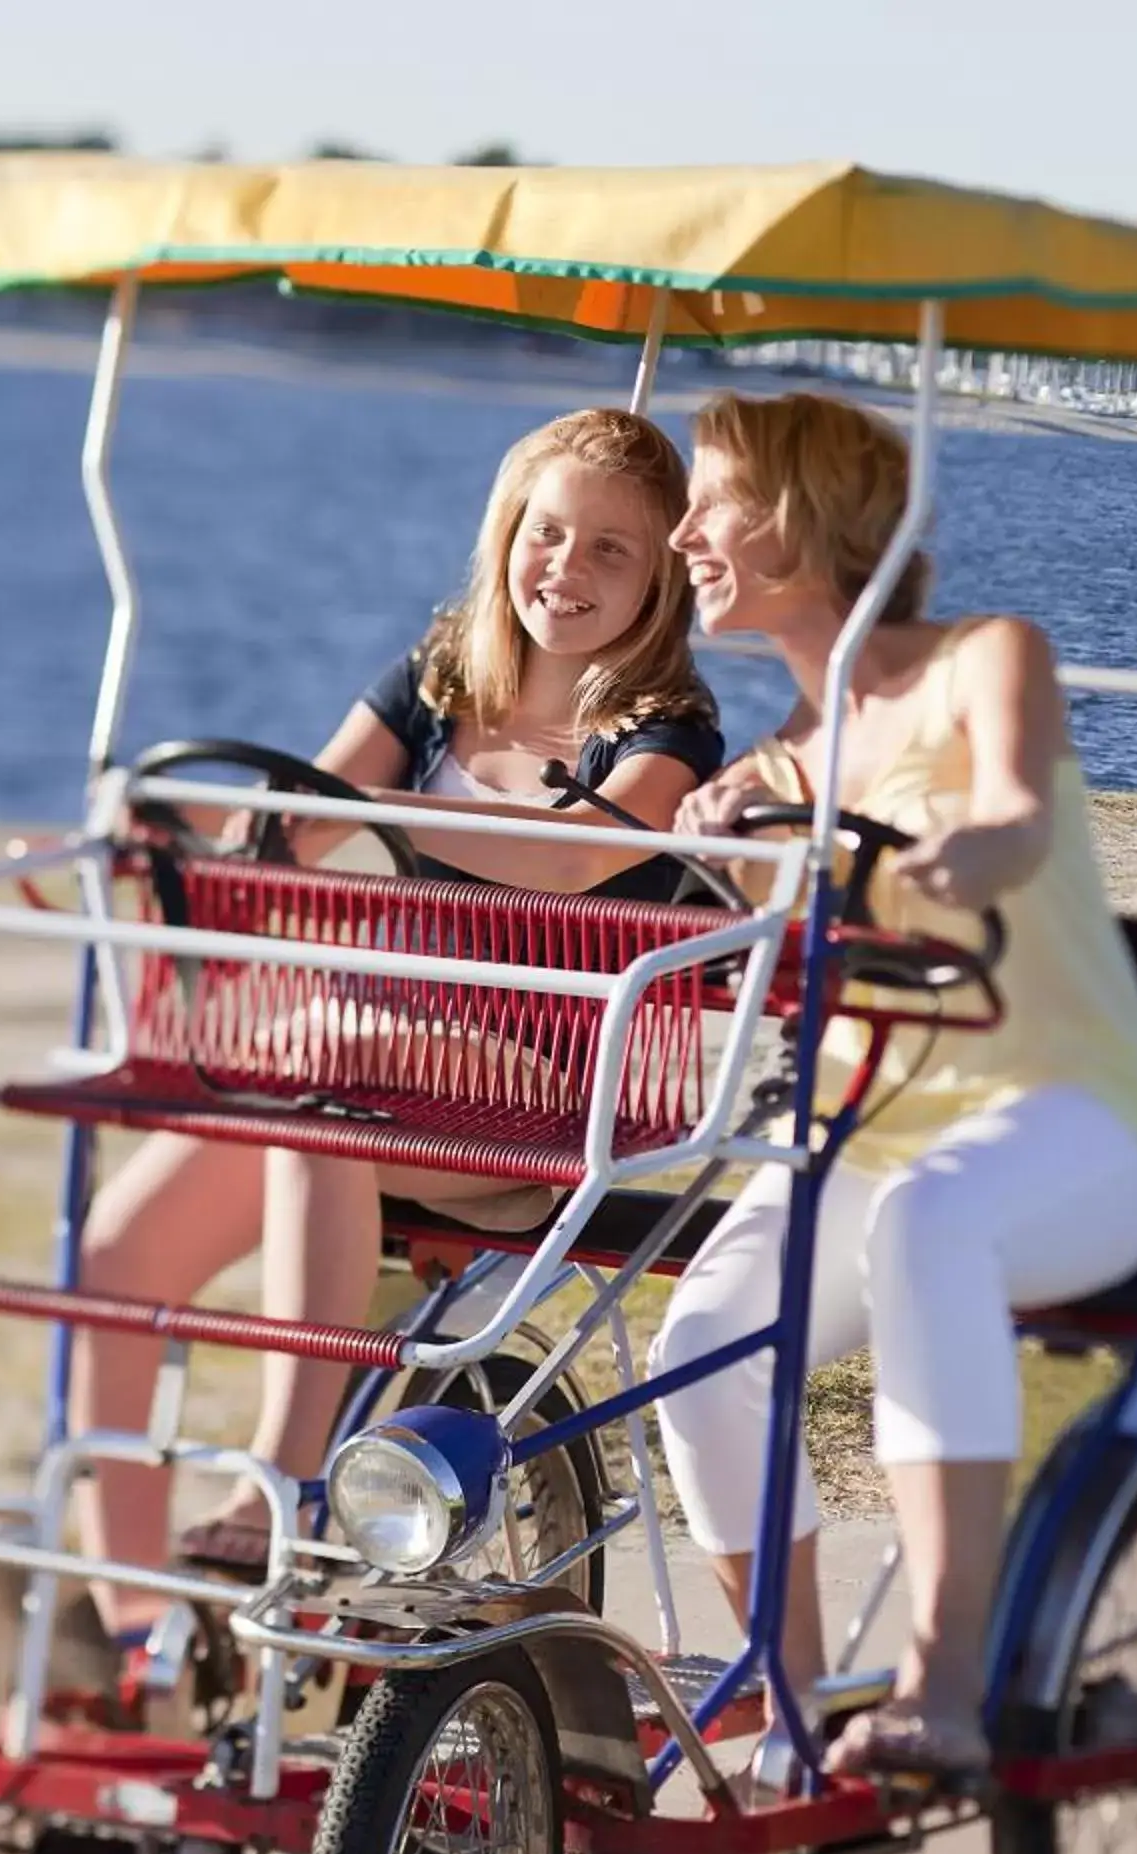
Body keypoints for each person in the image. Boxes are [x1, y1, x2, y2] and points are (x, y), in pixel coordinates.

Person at [69, 408, 722, 1657]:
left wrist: (370, 812)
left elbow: (576, 855)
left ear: (662, 579)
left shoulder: (665, 733)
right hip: (357, 1066)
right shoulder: (434, 681)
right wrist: (161, 847)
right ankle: (136, 1629)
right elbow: (292, 826)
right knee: (115, 1255)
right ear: (505, 535)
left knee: (318, 1070)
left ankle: (284, 1474)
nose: (566, 571)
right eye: (548, 534)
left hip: (534, 1102)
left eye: (611, 552)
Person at [652, 390, 1137, 1780]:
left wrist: (979, 852)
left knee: (927, 1227)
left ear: (806, 517)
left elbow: (1011, 808)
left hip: (1075, 1118)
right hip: (875, 1134)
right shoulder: (771, 765)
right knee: (700, 1344)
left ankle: (944, 1683)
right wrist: (725, 844)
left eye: (713, 499)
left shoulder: (984, 660)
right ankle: (784, 1700)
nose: (684, 530)